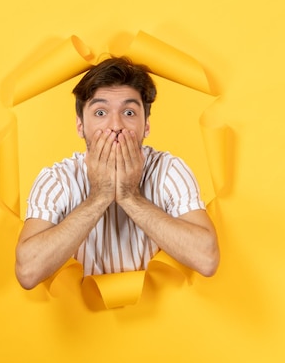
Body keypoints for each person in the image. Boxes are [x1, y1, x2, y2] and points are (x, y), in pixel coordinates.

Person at [15, 56, 220, 290]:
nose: (115, 125)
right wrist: (99, 197)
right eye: (100, 113)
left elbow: (207, 259)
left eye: (129, 113)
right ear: (80, 125)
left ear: (146, 125)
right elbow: (27, 272)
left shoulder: (169, 170)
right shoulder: (56, 180)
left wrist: (129, 196)